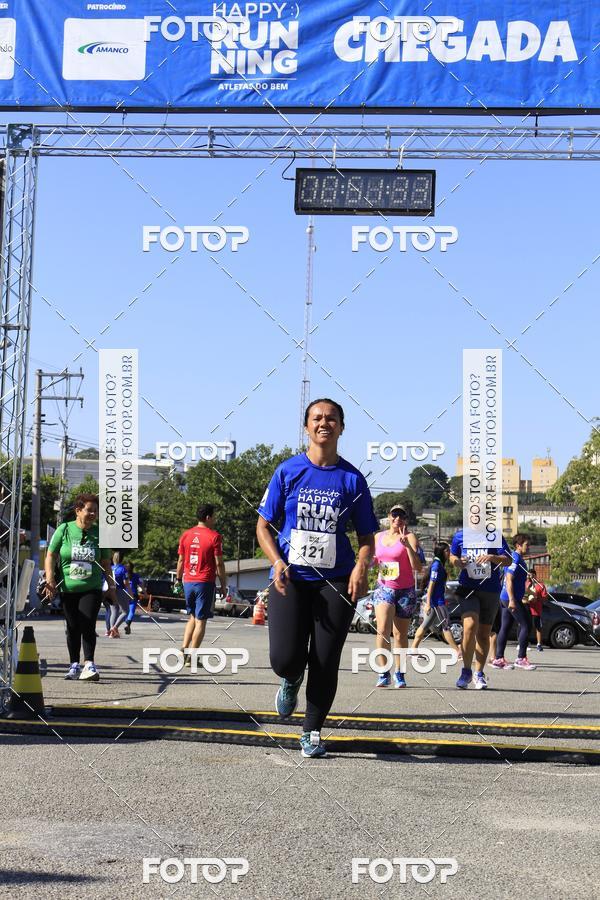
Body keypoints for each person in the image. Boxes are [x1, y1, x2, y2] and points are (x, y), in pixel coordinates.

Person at [257, 398, 378, 759]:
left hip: (336, 581)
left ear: (341, 427)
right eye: (317, 418)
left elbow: (367, 537)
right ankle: (290, 679)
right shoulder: (288, 471)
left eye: (331, 419)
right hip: (290, 577)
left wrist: (360, 567)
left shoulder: (352, 479)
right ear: (306, 426)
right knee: (285, 657)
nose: (324, 423)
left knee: (325, 659)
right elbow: (263, 526)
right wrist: (276, 562)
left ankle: (311, 731)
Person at [44, 493, 114, 681]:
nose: (93, 514)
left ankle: (89, 664)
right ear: (78, 511)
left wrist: (112, 587)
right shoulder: (64, 530)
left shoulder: (101, 533)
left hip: (91, 587)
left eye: (95, 511)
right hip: (67, 588)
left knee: (88, 622)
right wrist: (50, 579)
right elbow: (51, 556)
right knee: (72, 626)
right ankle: (74, 664)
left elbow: (106, 563)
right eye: (89, 510)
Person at [450, 527, 512, 689]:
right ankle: (466, 671)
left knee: (484, 634)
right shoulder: (460, 535)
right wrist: (457, 562)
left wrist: (492, 557)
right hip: (467, 588)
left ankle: (479, 673)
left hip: (490, 589)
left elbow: (508, 560)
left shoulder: (494, 536)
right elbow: (452, 556)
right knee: (469, 626)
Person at [372, 506, 423, 688]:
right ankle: (383, 671)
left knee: (400, 634)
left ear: (406, 519)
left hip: (405, 591)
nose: (398, 518)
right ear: (389, 517)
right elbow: (373, 560)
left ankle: (399, 673)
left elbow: (417, 567)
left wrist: (407, 546)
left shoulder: (410, 537)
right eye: (394, 515)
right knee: (382, 629)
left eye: (402, 516)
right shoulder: (378, 537)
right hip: (384, 588)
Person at [176, 504, 228, 665]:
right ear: (208, 517)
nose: (215, 519)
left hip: (188, 581)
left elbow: (180, 560)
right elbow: (219, 564)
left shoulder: (186, 535)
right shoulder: (214, 536)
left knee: (192, 617)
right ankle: (191, 657)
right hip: (204, 582)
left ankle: (184, 649)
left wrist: (178, 579)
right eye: (214, 516)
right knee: (201, 620)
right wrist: (223, 584)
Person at [492, 534, 537, 670]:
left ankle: (499, 659)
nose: (528, 547)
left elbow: (515, 576)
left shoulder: (517, 558)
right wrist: (512, 599)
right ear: (518, 545)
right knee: (526, 624)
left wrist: (525, 576)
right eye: (526, 545)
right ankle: (521, 658)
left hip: (506, 597)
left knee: (505, 627)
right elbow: (509, 578)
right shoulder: (515, 558)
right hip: (510, 598)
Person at [411, 542, 460, 658]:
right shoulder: (437, 566)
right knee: (446, 626)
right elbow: (431, 585)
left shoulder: (439, 565)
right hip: (437, 602)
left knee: (424, 626)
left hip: (436, 601)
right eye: (448, 550)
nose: (449, 553)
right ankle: (458, 652)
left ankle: (413, 649)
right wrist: (428, 603)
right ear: (443, 552)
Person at [525, 567, 547, 652]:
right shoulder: (525, 583)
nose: (530, 576)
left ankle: (539, 644)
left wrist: (537, 598)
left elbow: (545, 597)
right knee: (526, 626)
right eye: (528, 574)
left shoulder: (540, 585)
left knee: (538, 627)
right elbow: (523, 594)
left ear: (535, 575)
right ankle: (525, 643)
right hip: (527, 608)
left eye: (531, 575)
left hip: (536, 610)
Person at [108, 552, 129, 638]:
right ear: (122, 559)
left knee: (114, 611)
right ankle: (114, 628)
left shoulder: (111, 568)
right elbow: (125, 582)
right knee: (125, 611)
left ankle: (112, 632)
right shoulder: (123, 569)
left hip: (111, 590)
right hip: (120, 590)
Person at [123, 562, 143, 634]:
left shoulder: (123, 575)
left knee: (125, 611)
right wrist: (145, 593)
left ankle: (113, 627)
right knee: (131, 611)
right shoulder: (136, 576)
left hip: (124, 594)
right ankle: (127, 624)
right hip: (133, 594)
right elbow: (141, 585)